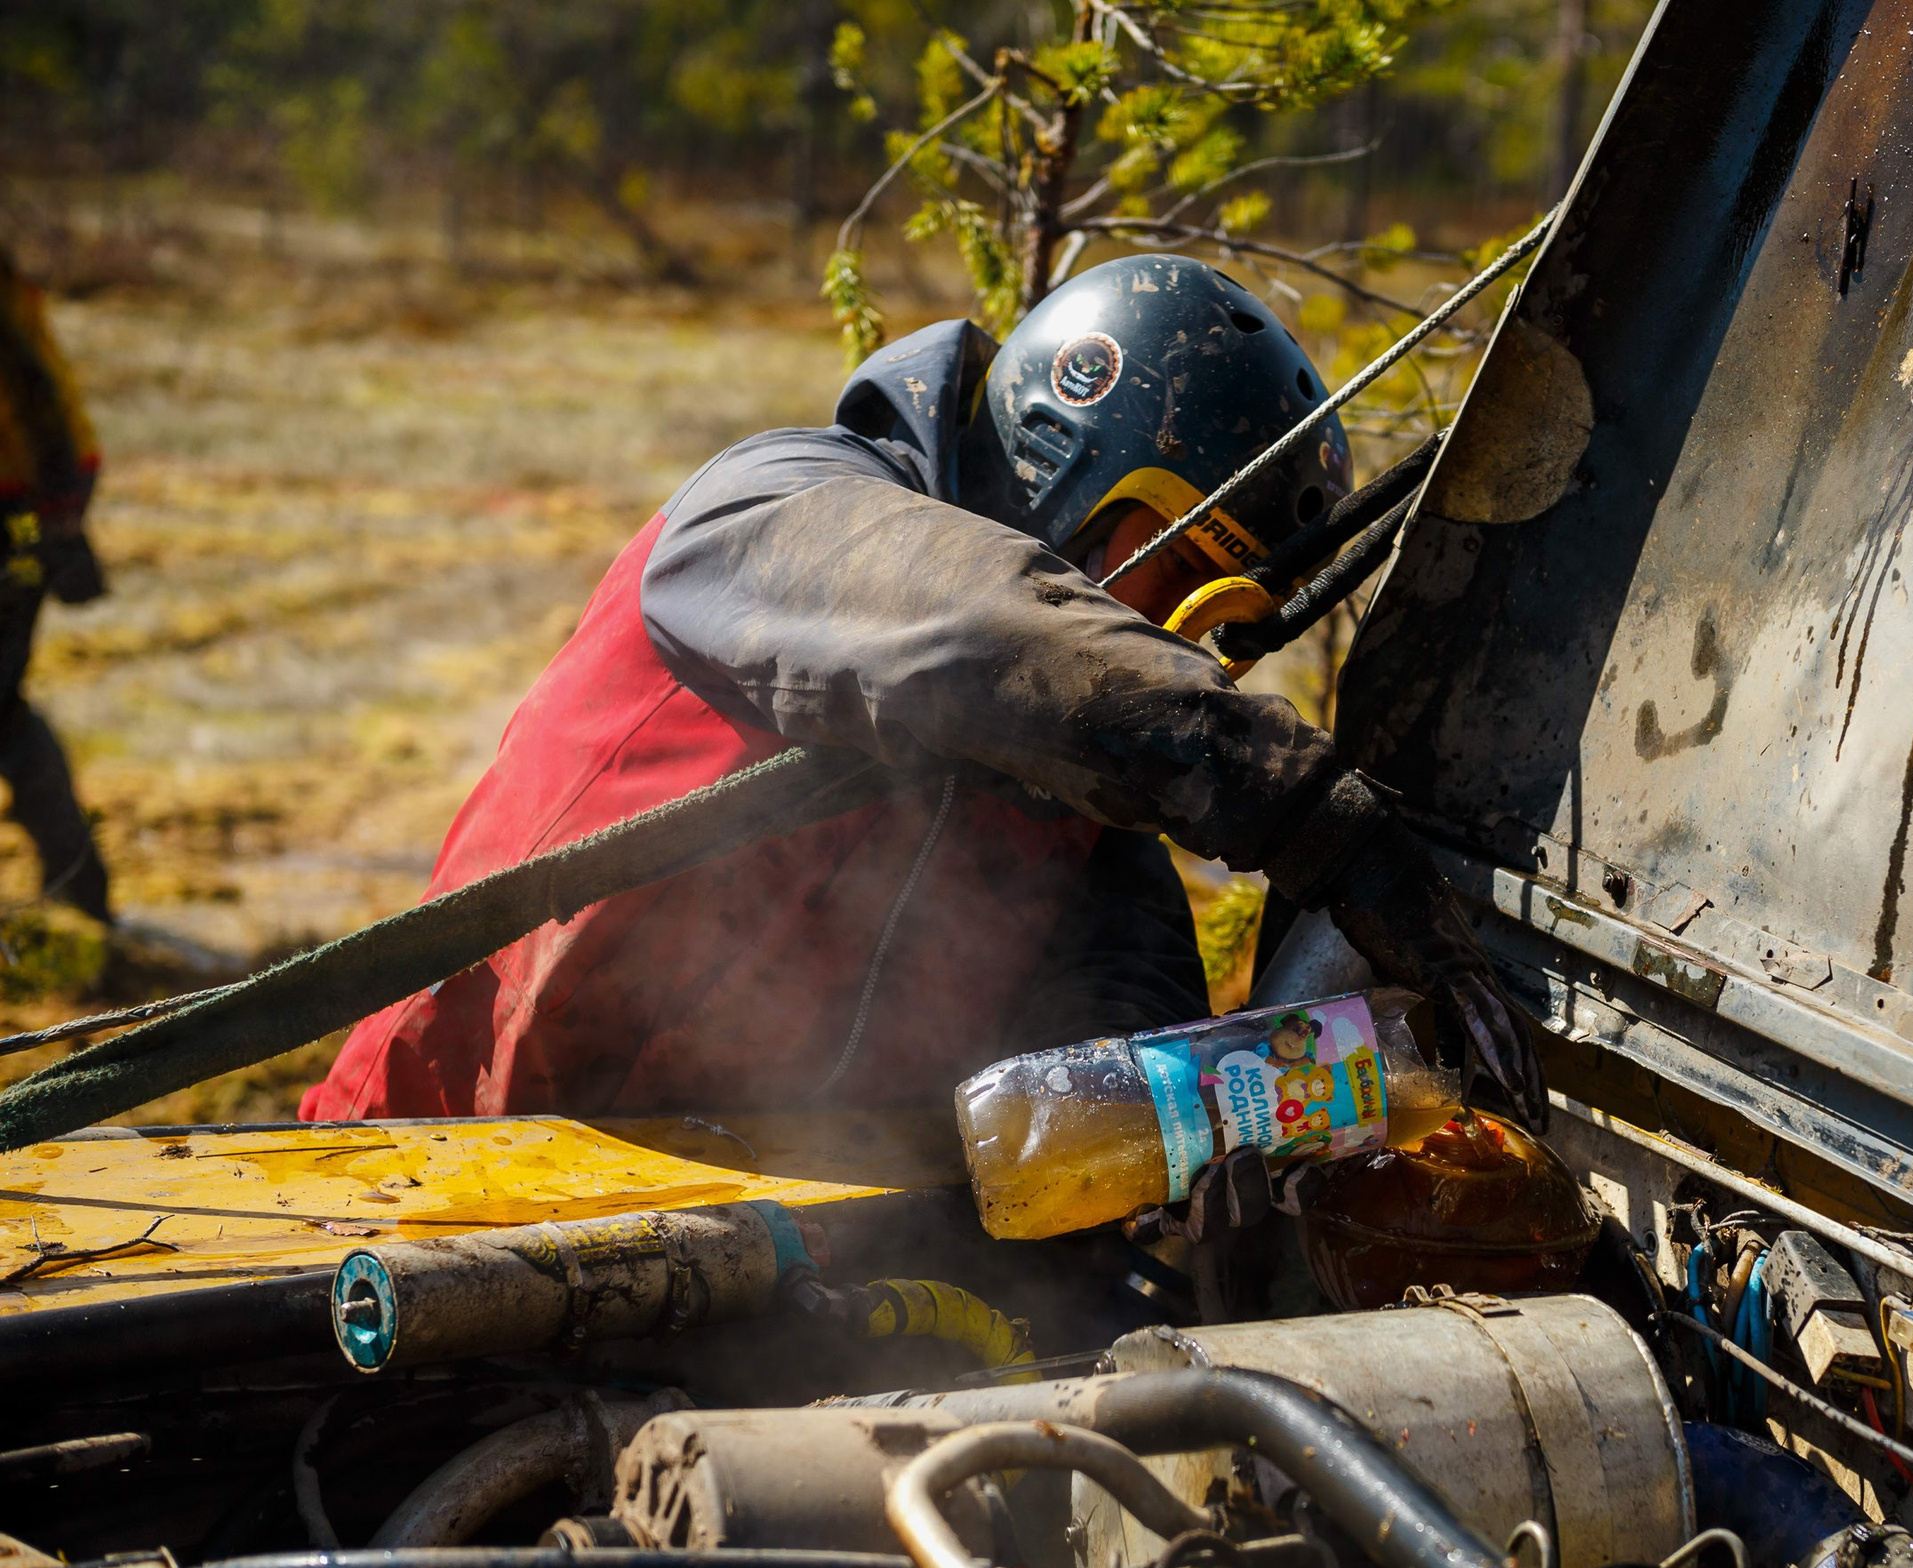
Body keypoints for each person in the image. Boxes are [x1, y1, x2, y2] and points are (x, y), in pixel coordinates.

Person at [300, 255, 1542, 1135]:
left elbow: (1126, 1058)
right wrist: (1307, 812)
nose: (1164, 642)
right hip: (421, 1181)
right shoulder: (772, 512)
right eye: (1169, 574)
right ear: (1064, 461)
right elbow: (983, 632)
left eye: (1213, 627)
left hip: (724, 1264)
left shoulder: (1071, 815)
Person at [0, 244, 110, 924]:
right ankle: (80, 887)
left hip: (20, 506)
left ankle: (80, 890)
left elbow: (37, 396)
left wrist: (55, 518)